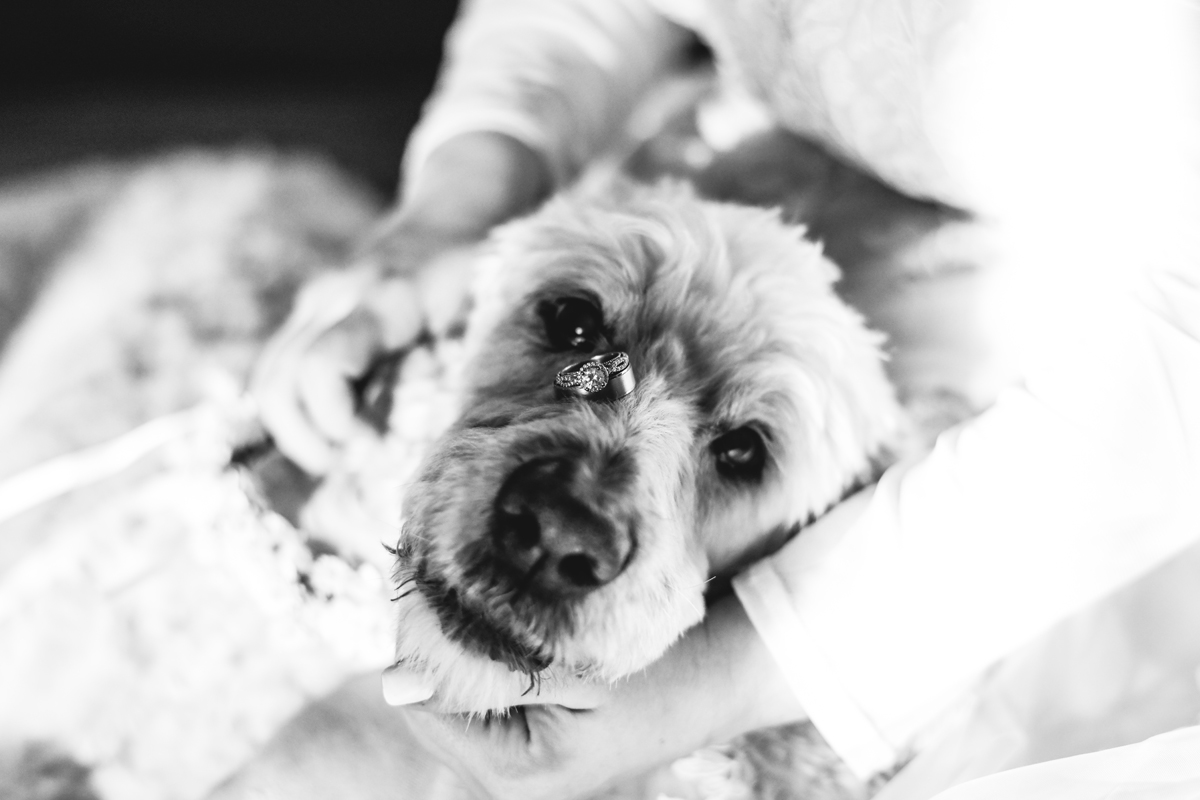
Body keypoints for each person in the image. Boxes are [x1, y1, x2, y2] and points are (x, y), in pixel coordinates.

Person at [252, 0, 1200, 798]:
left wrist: (736, 673)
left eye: (741, 453)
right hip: (738, 165)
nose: (565, 519)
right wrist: (456, 207)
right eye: (578, 326)